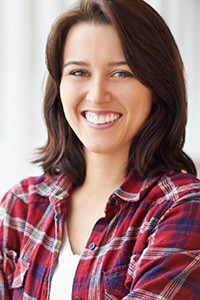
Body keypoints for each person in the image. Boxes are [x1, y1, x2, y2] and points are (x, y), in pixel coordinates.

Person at [0, 0, 200, 299]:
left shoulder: (182, 207)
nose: (97, 95)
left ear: (157, 87)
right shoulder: (21, 206)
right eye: (79, 72)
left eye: (121, 73)